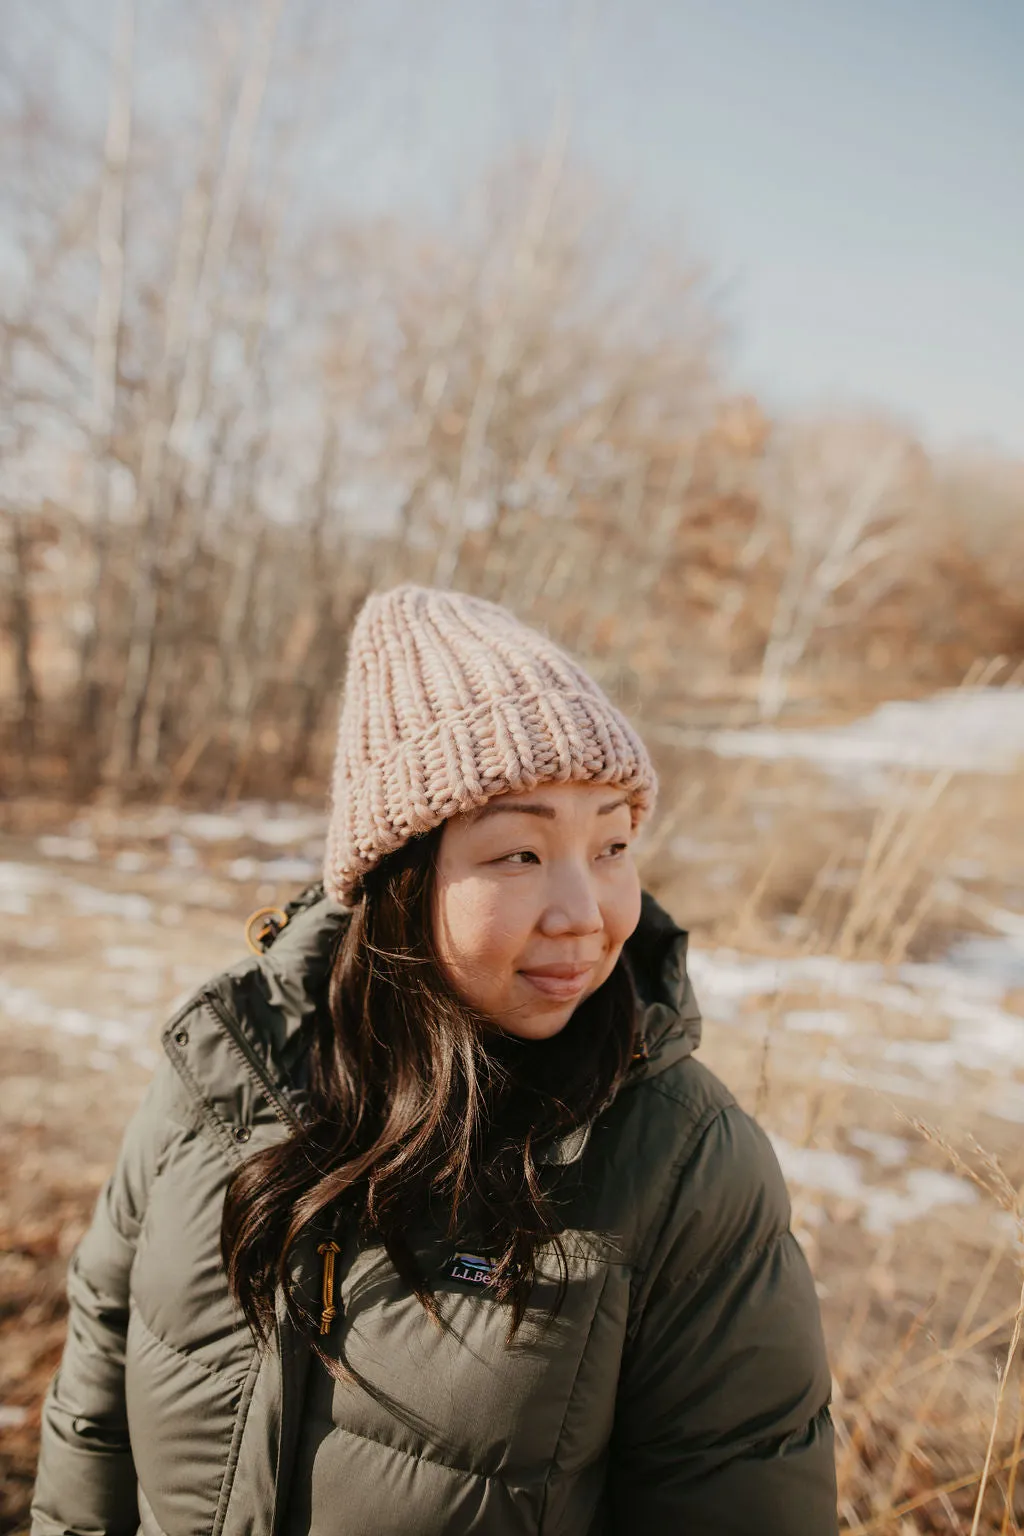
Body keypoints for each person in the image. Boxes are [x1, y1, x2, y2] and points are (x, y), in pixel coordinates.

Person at [32, 584, 837, 1536]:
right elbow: (93, 1408)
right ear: (399, 875)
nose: (586, 911)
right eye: (521, 855)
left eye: (614, 842)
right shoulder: (226, 1073)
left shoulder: (684, 1162)